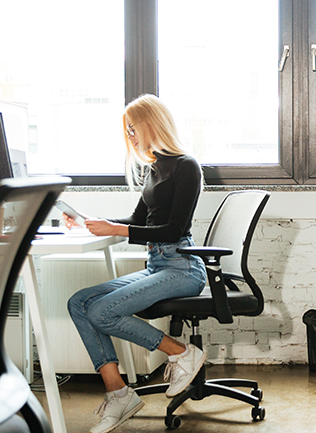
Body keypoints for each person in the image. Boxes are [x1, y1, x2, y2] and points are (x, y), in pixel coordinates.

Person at [66, 94, 208, 433]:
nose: (131, 137)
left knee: (102, 312)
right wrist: (95, 222)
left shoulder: (186, 166)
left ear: (151, 123)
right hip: (158, 265)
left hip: (182, 266)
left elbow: (173, 228)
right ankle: (119, 393)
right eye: (126, 131)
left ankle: (181, 353)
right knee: (80, 302)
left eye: (133, 128)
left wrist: (116, 229)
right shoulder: (154, 169)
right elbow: (136, 220)